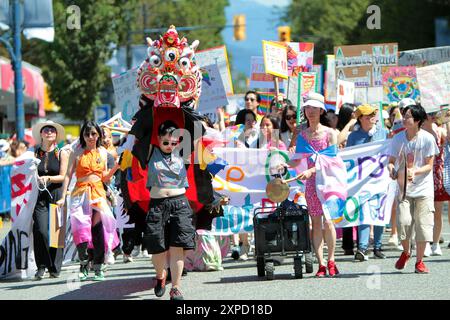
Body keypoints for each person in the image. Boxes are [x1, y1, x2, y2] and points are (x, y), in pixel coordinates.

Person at [57, 121, 120, 281]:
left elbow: (105, 178)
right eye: (87, 134)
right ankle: (84, 264)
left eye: (93, 133)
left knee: (97, 230)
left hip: (98, 193)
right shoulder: (76, 153)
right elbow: (68, 176)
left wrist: (116, 167)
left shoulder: (104, 153)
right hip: (80, 194)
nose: (90, 137)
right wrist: (63, 197)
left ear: (98, 134)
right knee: (80, 229)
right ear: (82, 136)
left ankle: (98, 267)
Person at [286, 92, 340, 277]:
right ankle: (321, 264)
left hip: (328, 183)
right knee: (316, 223)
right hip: (311, 185)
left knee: (329, 222)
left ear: (321, 110)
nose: (310, 111)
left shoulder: (330, 133)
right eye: (307, 107)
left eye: (314, 107)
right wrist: (285, 164)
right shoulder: (302, 135)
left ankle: (331, 260)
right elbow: (297, 160)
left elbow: (332, 161)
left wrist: (312, 170)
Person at [143, 121, 195, 300]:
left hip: (179, 203)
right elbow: (141, 131)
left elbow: (195, 126)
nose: (169, 146)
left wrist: (190, 100)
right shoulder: (151, 152)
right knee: (157, 248)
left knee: (177, 247)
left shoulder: (183, 151)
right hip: (157, 205)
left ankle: (176, 288)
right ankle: (160, 276)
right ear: (158, 139)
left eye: (173, 143)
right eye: (165, 142)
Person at [388, 104, 439, 274]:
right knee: (403, 222)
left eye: (408, 116)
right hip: (404, 189)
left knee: (423, 225)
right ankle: (406, 251)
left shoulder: (427, 138)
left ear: (417, 120)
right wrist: (391, 170)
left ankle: (419, 261)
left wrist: (415, 171)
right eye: (404, 115)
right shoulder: (397, 139)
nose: (404, 118)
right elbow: (390, 161)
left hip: (423, 189)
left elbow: (429, 166)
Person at [346, 104, 389, 261]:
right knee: (364, 213)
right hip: (361, 181)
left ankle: (377, 246)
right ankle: (362, 248)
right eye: (367, 115)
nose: (371, 117)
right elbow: (348, 158)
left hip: (379, 178)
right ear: (360, 119)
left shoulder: (383, 133)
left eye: (373, 114)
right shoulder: (353, 136)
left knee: (379, 211)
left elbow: (388, 153)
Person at [31, 121, 69, 280]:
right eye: (45, 130)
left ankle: (54, 267)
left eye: (52, 130)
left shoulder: (61, 153)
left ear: (56, 135)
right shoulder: (34, 153)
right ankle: (41, 266)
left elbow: (63, 175)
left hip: (56, 193)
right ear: (41, 134)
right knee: (40, 230)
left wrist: (48, 178)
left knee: (56, 232)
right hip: (39, 195)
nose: (49, 132)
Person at [422, 111, 448, 256]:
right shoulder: (417, 130)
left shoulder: (440, 130)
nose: (431, 116)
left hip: (438, 174)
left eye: (433, 114)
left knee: (437, 211)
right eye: (429, 113)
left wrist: (447, 120)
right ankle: (424, 243)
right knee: (423, 212)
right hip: (422, 174)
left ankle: (436, 243)